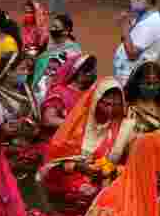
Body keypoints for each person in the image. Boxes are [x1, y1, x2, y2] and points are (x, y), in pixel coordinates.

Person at [39, 77, 137, 206]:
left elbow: (132, 166)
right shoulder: (76, 125)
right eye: (106, 104)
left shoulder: (126, 129)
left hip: (105, 194)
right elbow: (52, 165)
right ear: (95, 101)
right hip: (66, 191)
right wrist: (78, 167)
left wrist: (110, 172)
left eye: (116, 105)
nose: (110, 110)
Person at [112, 0, 160, 82]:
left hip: (133, 78)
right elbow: (127, 40)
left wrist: (125, 27)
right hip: (129, 74)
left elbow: (132, 54)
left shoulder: (149, 23)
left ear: (148, 0)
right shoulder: (142, 16)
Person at [40, 52, 97, 135]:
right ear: (79, 72)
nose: (93, 76)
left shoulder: (90, 95)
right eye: (90, 71)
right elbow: (48, 120)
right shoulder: (60, 92)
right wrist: (77, 126)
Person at [32, 13, 81, 94]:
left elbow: (71, 76)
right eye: (52, 26)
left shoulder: (73, 51)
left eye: (56, 27)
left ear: (66, 31)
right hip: (36, 88)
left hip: (54, 91)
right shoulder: (46, 42)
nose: (52, 29)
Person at [123, 61, 160, 133]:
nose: (152, 87)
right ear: (137, 83)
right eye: (148, 83)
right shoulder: (128, 109)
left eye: (156, 83)